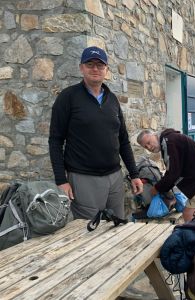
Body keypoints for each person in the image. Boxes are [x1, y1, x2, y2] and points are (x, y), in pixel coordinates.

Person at [49, 46, 143, 220]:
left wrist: (134, 174)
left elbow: (123, 140)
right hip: (84, 179)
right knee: (88, 233)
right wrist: (61, 180)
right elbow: (55, 141)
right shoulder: (68, 97)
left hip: (115, 178)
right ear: (81, 68)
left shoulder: (112, 99)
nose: (95, 69)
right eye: (90, 64)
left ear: (106, 69)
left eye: (100, 65)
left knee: (116, 226)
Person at [136, 128, 195, 221]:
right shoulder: (168, 140)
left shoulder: (169, 142)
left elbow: (173, 173)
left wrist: (157, 188)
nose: (149, 147)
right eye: (146, 147)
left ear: (154, 135)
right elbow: (174, 169)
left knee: (188, 214)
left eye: (149, 142)